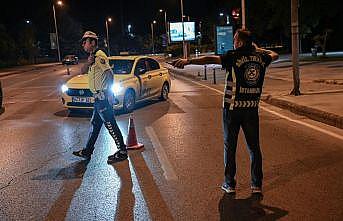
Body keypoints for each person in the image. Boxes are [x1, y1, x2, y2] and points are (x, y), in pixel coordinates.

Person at [171, 29, 278, 194]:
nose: (233, 42)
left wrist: (188, 61)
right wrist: (256, 49)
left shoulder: (234, 56)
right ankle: (256, 185)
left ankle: (230, 184)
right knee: (254, 148)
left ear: (240, 42)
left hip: (232, 110)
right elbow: (274, 54)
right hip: (251, 110)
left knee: (230, 147)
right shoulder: (261, 58)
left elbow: (210, 59)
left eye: (235, 39)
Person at [73, 31, 128, 164]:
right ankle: (87, 150)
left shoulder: (99, 56)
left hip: (103, 98)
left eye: (85, 42)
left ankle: (122, 151)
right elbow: (82, 71)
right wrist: (88, 62)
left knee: (110, 124)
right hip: (97, 99)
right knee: (95, 125)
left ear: (92, 43)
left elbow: (110, 74)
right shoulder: (93, 57)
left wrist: (109, 94)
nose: (83, 44)